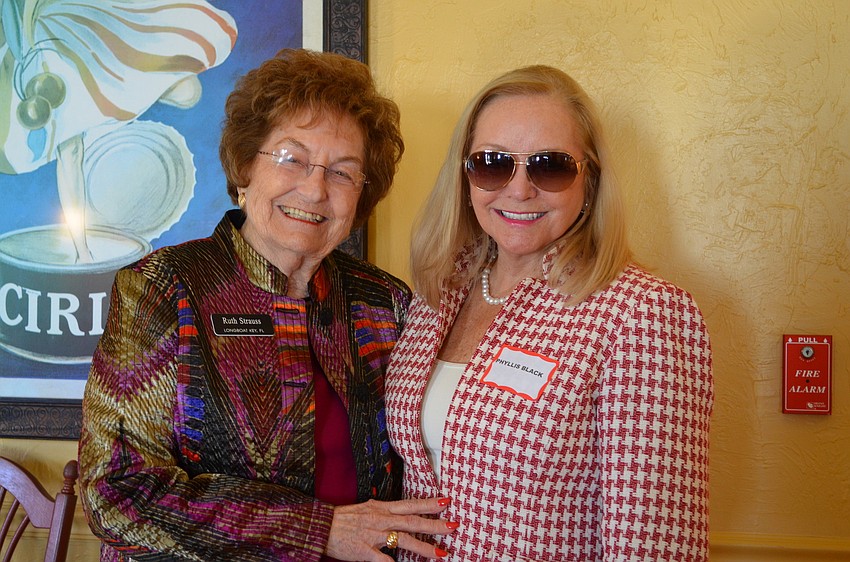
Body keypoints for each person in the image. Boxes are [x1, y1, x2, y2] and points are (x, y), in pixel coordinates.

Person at [78, 48, 457, 562]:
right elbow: (117, 492)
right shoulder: (164, 286)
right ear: (244, 168)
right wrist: (317, 530)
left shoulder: (384, 301)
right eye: (291, 158)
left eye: (343, 172)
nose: (315, 188)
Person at [385, 65, 714, 561]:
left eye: (550, 166)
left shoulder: (641, 313)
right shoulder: (438, 292)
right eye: (493, 163)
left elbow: (653, 544)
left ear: (590, 178)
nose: (519, 190)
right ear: (466, 175)